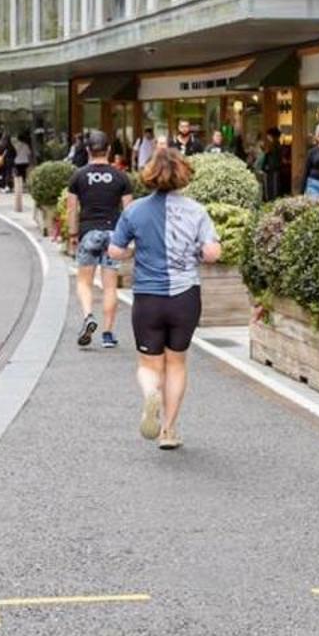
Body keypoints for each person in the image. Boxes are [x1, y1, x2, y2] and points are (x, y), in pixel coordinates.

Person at [108, 146, 223, 450]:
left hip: (148, 297)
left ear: (149, 174)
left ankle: (150, 393)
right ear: (183, 174)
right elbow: (212, 253)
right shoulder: (196, 211)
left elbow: (115, 252)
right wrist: (201, 250)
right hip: (185, 296)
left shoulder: (134, 211)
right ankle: (169, 430)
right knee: (177, 362)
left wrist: (133, 249)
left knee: (149, 363)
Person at [66, 131, 132, 349]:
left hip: (88, 233)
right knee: (110, 286)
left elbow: (72, 208)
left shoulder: (79, 176)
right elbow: (129, 211)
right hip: (114, 235)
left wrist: (73, 234)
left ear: (87, 151)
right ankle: (108, 333)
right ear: (109, 150)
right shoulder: (121, 177)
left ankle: (88, 317)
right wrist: (128, 240)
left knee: (84, 282)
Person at [256, 128, 289, 202]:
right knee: (274, 187)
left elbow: (270, 158)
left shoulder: (274, 146)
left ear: (272, 136)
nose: (268, 137)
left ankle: (271, 202)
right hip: (274, 169)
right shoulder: (277, 145)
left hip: (271, 170)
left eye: (269, 135)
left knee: (271, 188)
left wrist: (265, 167)